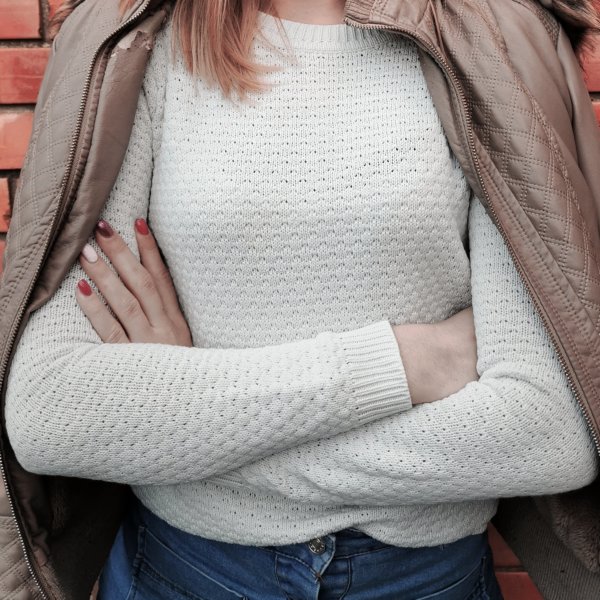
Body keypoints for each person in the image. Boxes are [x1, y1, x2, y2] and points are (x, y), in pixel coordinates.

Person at [2, 0, 600, 598]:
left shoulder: (486, 38)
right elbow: (49, 412)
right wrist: (402, 363)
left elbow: (550, 433)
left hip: (425, 580)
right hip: (185, 574)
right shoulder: (141, 36)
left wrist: (187, 422)